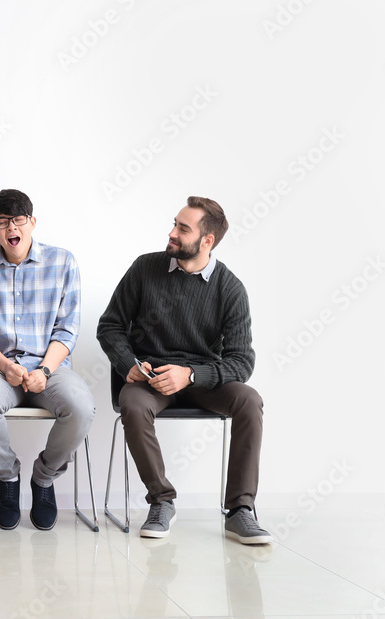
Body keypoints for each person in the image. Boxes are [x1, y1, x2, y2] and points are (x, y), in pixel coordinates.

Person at [96, 196, 271, 544]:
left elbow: (241, 361)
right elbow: (110, 326)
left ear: (207, 240)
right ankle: (161, 500)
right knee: (132, 403)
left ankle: (240, 511)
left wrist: (190, 375)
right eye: (174, 224)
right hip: (150, 379)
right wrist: (129, 364)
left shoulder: (230, 289)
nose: (172, 233)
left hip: (203, 380)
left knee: (250, 400)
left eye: (182, 228)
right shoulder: (145, 269)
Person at [0, 189, 96, 531]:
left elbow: (68, 329)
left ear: (31, 223)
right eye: (2, 222)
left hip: (49, 367)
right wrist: (6, 366)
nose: (11, 228)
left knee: (81, 407)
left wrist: (45, 370)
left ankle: (44, 478)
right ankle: (8, 478)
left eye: (17, 220)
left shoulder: (63, 262)